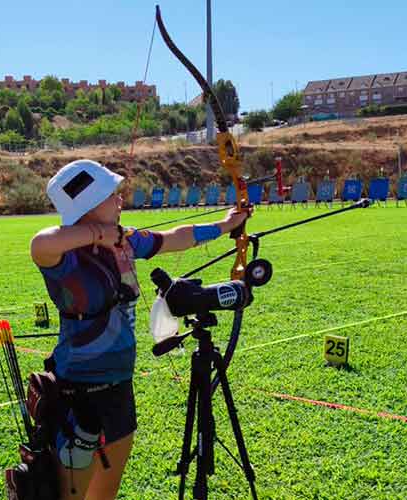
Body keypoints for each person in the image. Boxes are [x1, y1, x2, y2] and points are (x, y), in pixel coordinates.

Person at [30, 159, 250, 499]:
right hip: (77, 394)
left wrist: (224, 226)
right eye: (112, 195)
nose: (120, 201)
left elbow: (174, 238)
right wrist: (96, 235)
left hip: (119, 386)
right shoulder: (66, 257)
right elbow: (39, 244)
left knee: (106, 492)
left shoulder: (126, 241)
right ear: (88, 206)